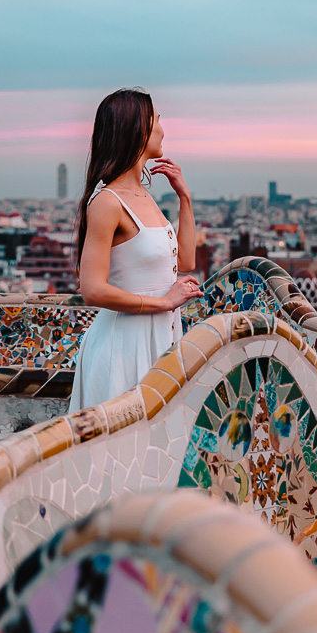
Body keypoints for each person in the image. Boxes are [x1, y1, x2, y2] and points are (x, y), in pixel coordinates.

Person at [68, 88, 203, 412]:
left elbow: (186, 260)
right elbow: (92, 290)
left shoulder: (142, 195)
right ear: (138, 129)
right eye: (157, 120)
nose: (163, 129)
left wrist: (184, 198)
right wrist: (163, 302)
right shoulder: (107, 201)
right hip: (122, 346)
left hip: (158, 337)